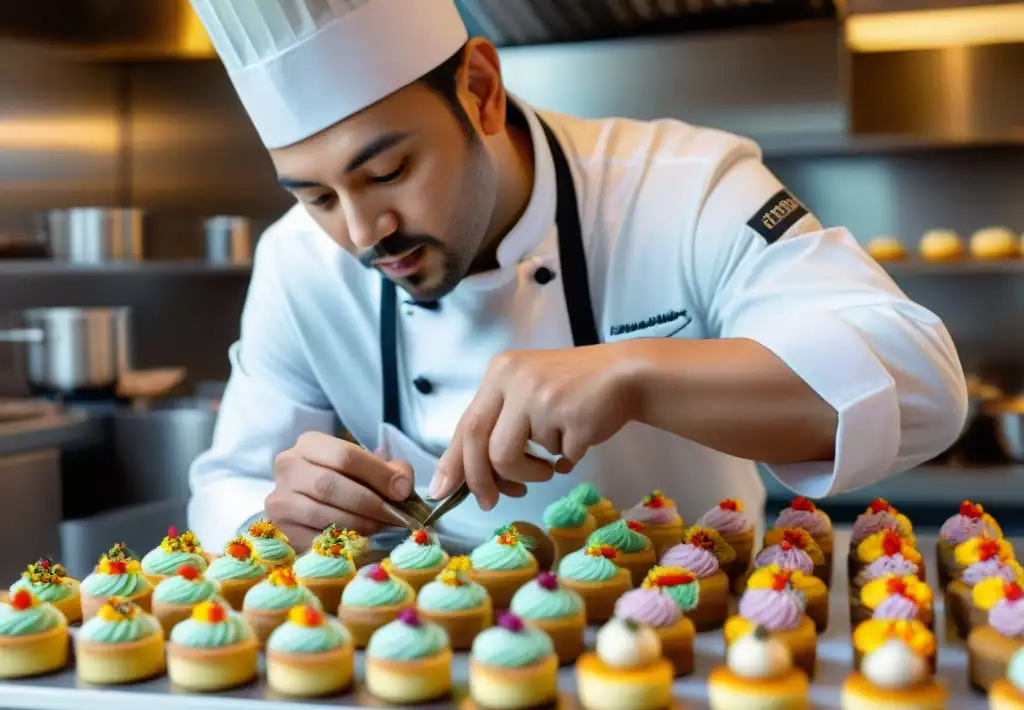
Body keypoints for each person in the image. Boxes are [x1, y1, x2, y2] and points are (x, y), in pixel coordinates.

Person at [186, 0, 967, 553]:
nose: (361, 233)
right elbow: (228, 486)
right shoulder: (299, 261)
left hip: (698, 647)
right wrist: (275, 512)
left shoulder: (682, 184)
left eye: (388, 171)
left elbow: (921, 384)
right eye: (317, 196)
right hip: (433, 668)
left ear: (481, 92)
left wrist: (636, 374)